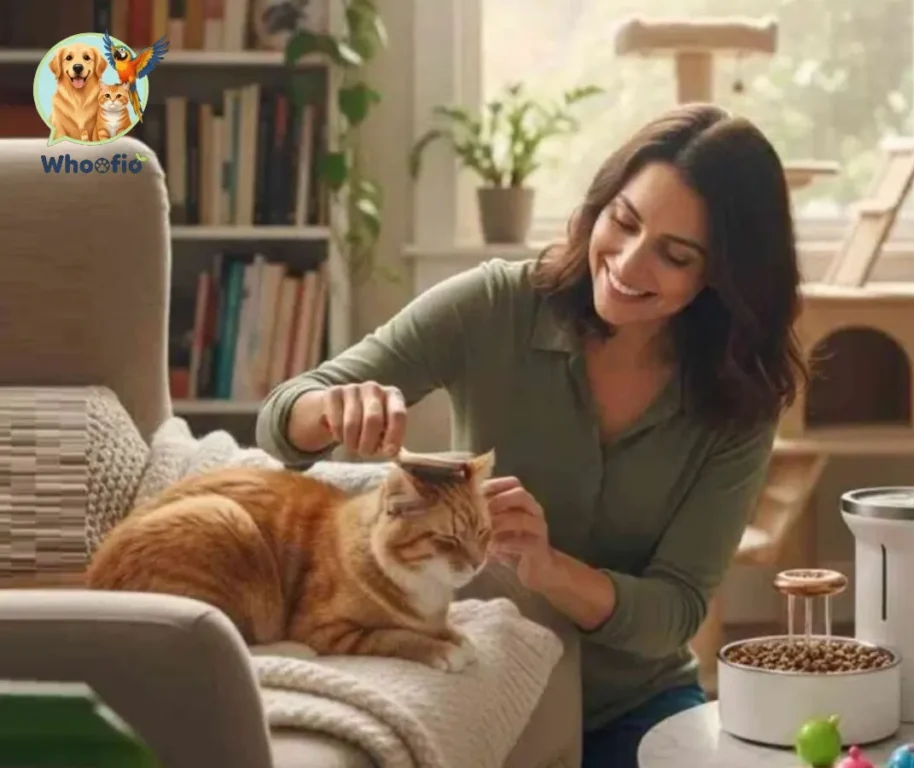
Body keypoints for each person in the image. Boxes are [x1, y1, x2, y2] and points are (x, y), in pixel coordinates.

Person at [256, 102, 807, 768]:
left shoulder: (740, 396)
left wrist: (548, 570)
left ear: (721, 276)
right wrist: (335, 406)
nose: (629, 264)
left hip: (634, 703)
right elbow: (282, 419)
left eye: (675, 255)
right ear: (599, 205)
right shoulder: (496, 305)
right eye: (623, 222)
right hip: (480, 680)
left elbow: (678, 610)